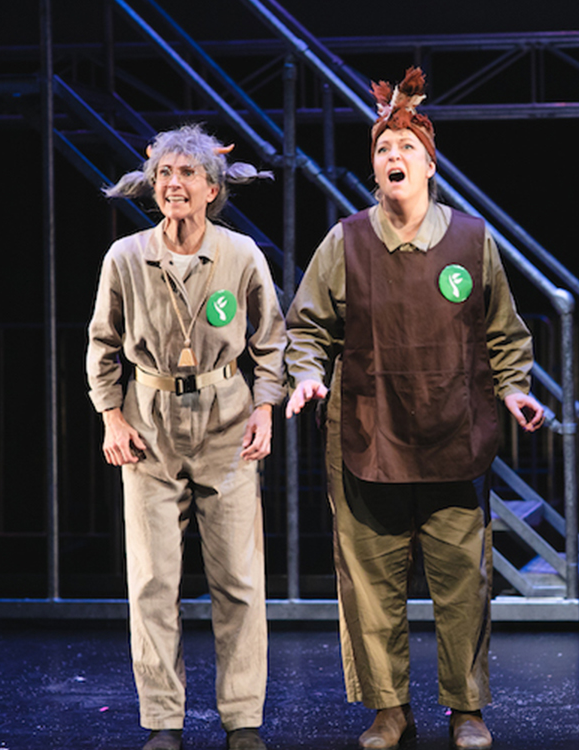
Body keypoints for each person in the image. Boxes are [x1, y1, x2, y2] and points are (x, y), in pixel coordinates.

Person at [283, 67, 544, 750]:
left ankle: (466, 708)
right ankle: (388, 708)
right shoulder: (346, 242)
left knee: (463, 582)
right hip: (369, 429)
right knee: (372, 582)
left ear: (430, 164)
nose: (392, 159)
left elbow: (504, 332)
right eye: (381, 150)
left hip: (453, 431)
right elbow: (307, 329)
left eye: (405, 149)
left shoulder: (470, 241)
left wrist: (515, 389)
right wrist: (308, 375)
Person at [86, 124, 284, 750]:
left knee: (240, 581)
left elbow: (272, 341)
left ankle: (243, 719)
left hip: (226, 420)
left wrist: (265, 407)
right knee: (151, 582)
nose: (173, 184)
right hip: (148, 424)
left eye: (187, 174)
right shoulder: (125, 257)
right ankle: (163, 723)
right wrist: (111, 416)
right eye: (165, 173)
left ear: (212, 188)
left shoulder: (241, 254)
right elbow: (102, 345)